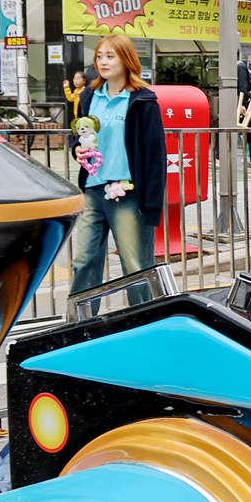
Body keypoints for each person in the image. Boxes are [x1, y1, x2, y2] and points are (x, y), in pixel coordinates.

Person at [71, 33, 168, 304]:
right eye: (99, 56)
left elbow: (154, 157)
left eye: (110, 56)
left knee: (135, 266)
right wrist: (75, 147)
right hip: (93, 189)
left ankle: (145, 323)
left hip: (128, 194)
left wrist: (151, 206)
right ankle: (81, 325)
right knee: (83, 261)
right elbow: (80, 132)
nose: (103, 62)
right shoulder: (90, 95)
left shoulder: (142, 101)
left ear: (126, 60)